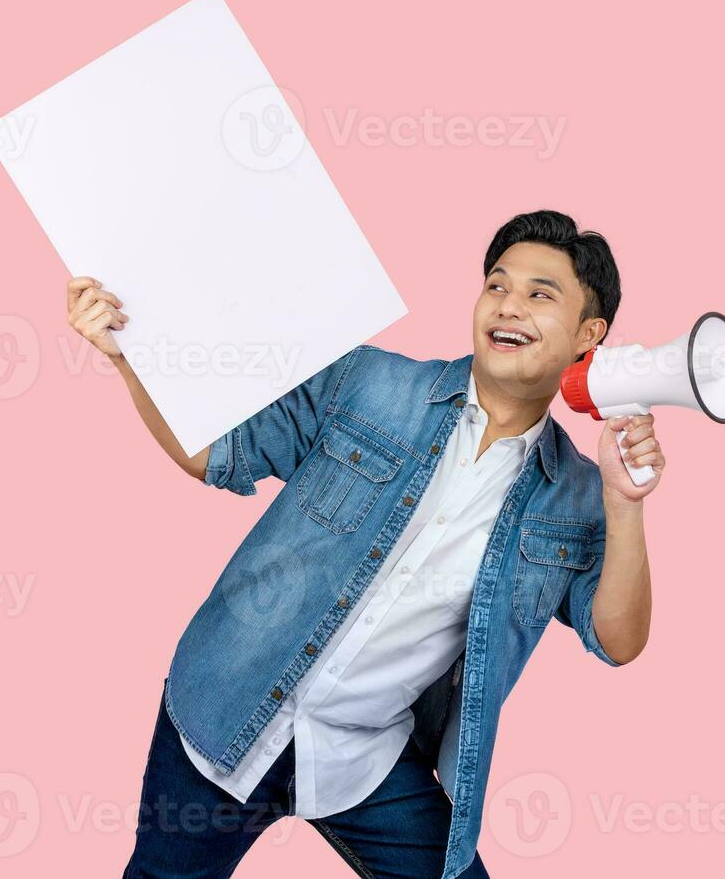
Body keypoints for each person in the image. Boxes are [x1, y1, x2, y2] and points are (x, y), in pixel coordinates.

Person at [68, 210, 661, 879]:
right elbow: (217, 455)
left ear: (589, 335)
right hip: (226, 708)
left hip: (363, 754)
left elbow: (617, 640)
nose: (509, 305)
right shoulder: (369, 383)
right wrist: (127, 362)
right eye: (497, 285)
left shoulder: (577, 495)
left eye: (539, 293)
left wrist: (624, 503)